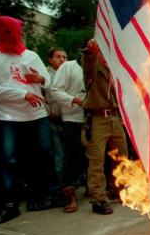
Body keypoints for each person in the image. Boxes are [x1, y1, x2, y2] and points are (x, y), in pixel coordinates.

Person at [0, 15, 61, 224]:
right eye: (8, 32)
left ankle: (42, 197)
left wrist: (41, 79)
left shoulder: (31, 56)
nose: (14, 36)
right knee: (7, 159)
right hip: (7, 117)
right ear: (0, 32)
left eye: (16, 32)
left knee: (44, 153)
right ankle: (8, 204)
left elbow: (50, 82)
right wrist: (22, 94)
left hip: (37, 115)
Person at [81, 39, 128, 215]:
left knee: (122, 157)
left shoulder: (114, 67)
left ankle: (118, 190)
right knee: (96, 161)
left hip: (114, 118)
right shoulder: (91, 65)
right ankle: (98, 199)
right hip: (97, 119)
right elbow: (88, 60)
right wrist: (92, 50)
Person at [50, 57, 86, 212]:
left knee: (93, 157)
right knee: (71, 156)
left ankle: (94, 190)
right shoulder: (68, 67)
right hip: (72, 118)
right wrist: (74, 100)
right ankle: (69, 195)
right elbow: (55, 90)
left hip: (94, 118)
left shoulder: (101, 65)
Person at [46, 48, 67, 179]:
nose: (62, 59)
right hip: (51, 119)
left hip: (69, 119)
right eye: (58, 56)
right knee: (57, 153)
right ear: (50, 60)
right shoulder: (46, 75)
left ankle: (72, 183)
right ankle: (59, 185)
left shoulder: (72, 72)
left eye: (64, 57)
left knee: (69, 152)